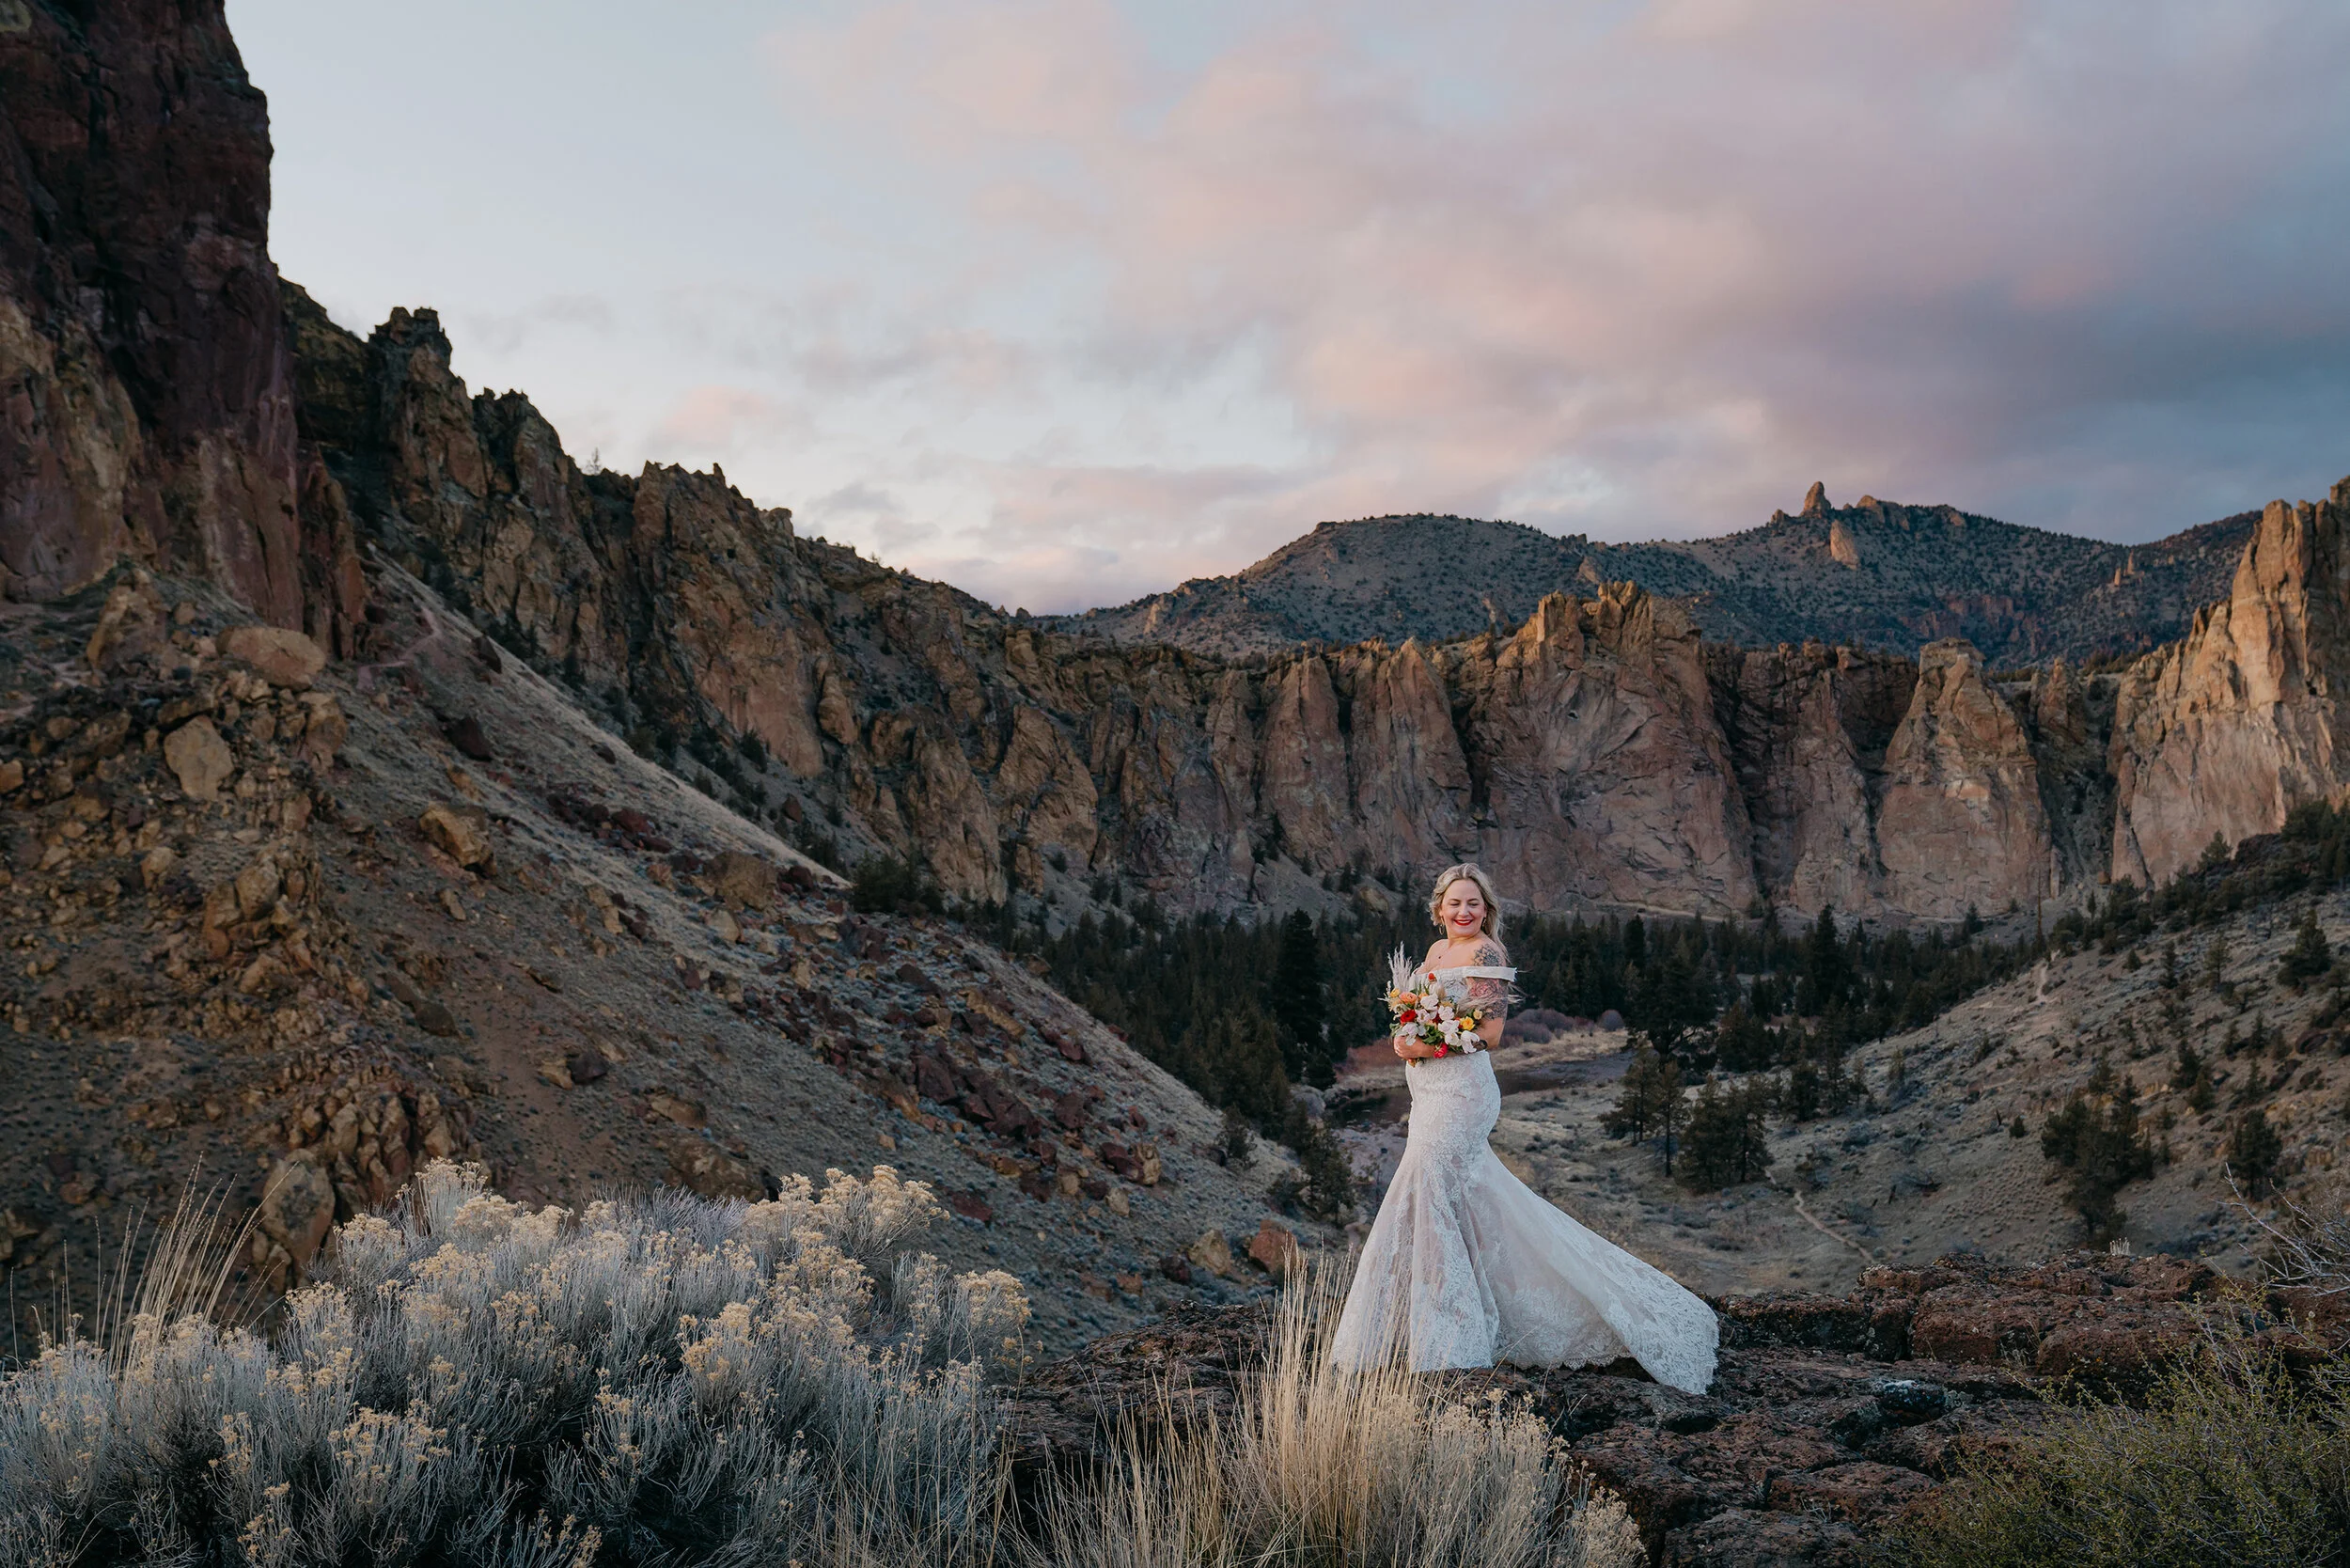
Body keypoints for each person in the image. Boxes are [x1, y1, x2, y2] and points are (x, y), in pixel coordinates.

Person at [1328, 863, 1719, 1393]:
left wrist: (1427, 1046)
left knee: (1429, 1188)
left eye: (1473, 903)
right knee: (1450, 1197)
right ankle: (1425, 1321)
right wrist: (1405, 1036)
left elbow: (1489, 1034)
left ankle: (1451, 1338)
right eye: (1454, 903)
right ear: (1439, 908)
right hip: (1427, 1090)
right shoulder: (1435, 953)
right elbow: (1421, 1014)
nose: (1464, 911)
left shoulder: (1486, 954)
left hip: (1462, 1094)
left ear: (1486, 909)